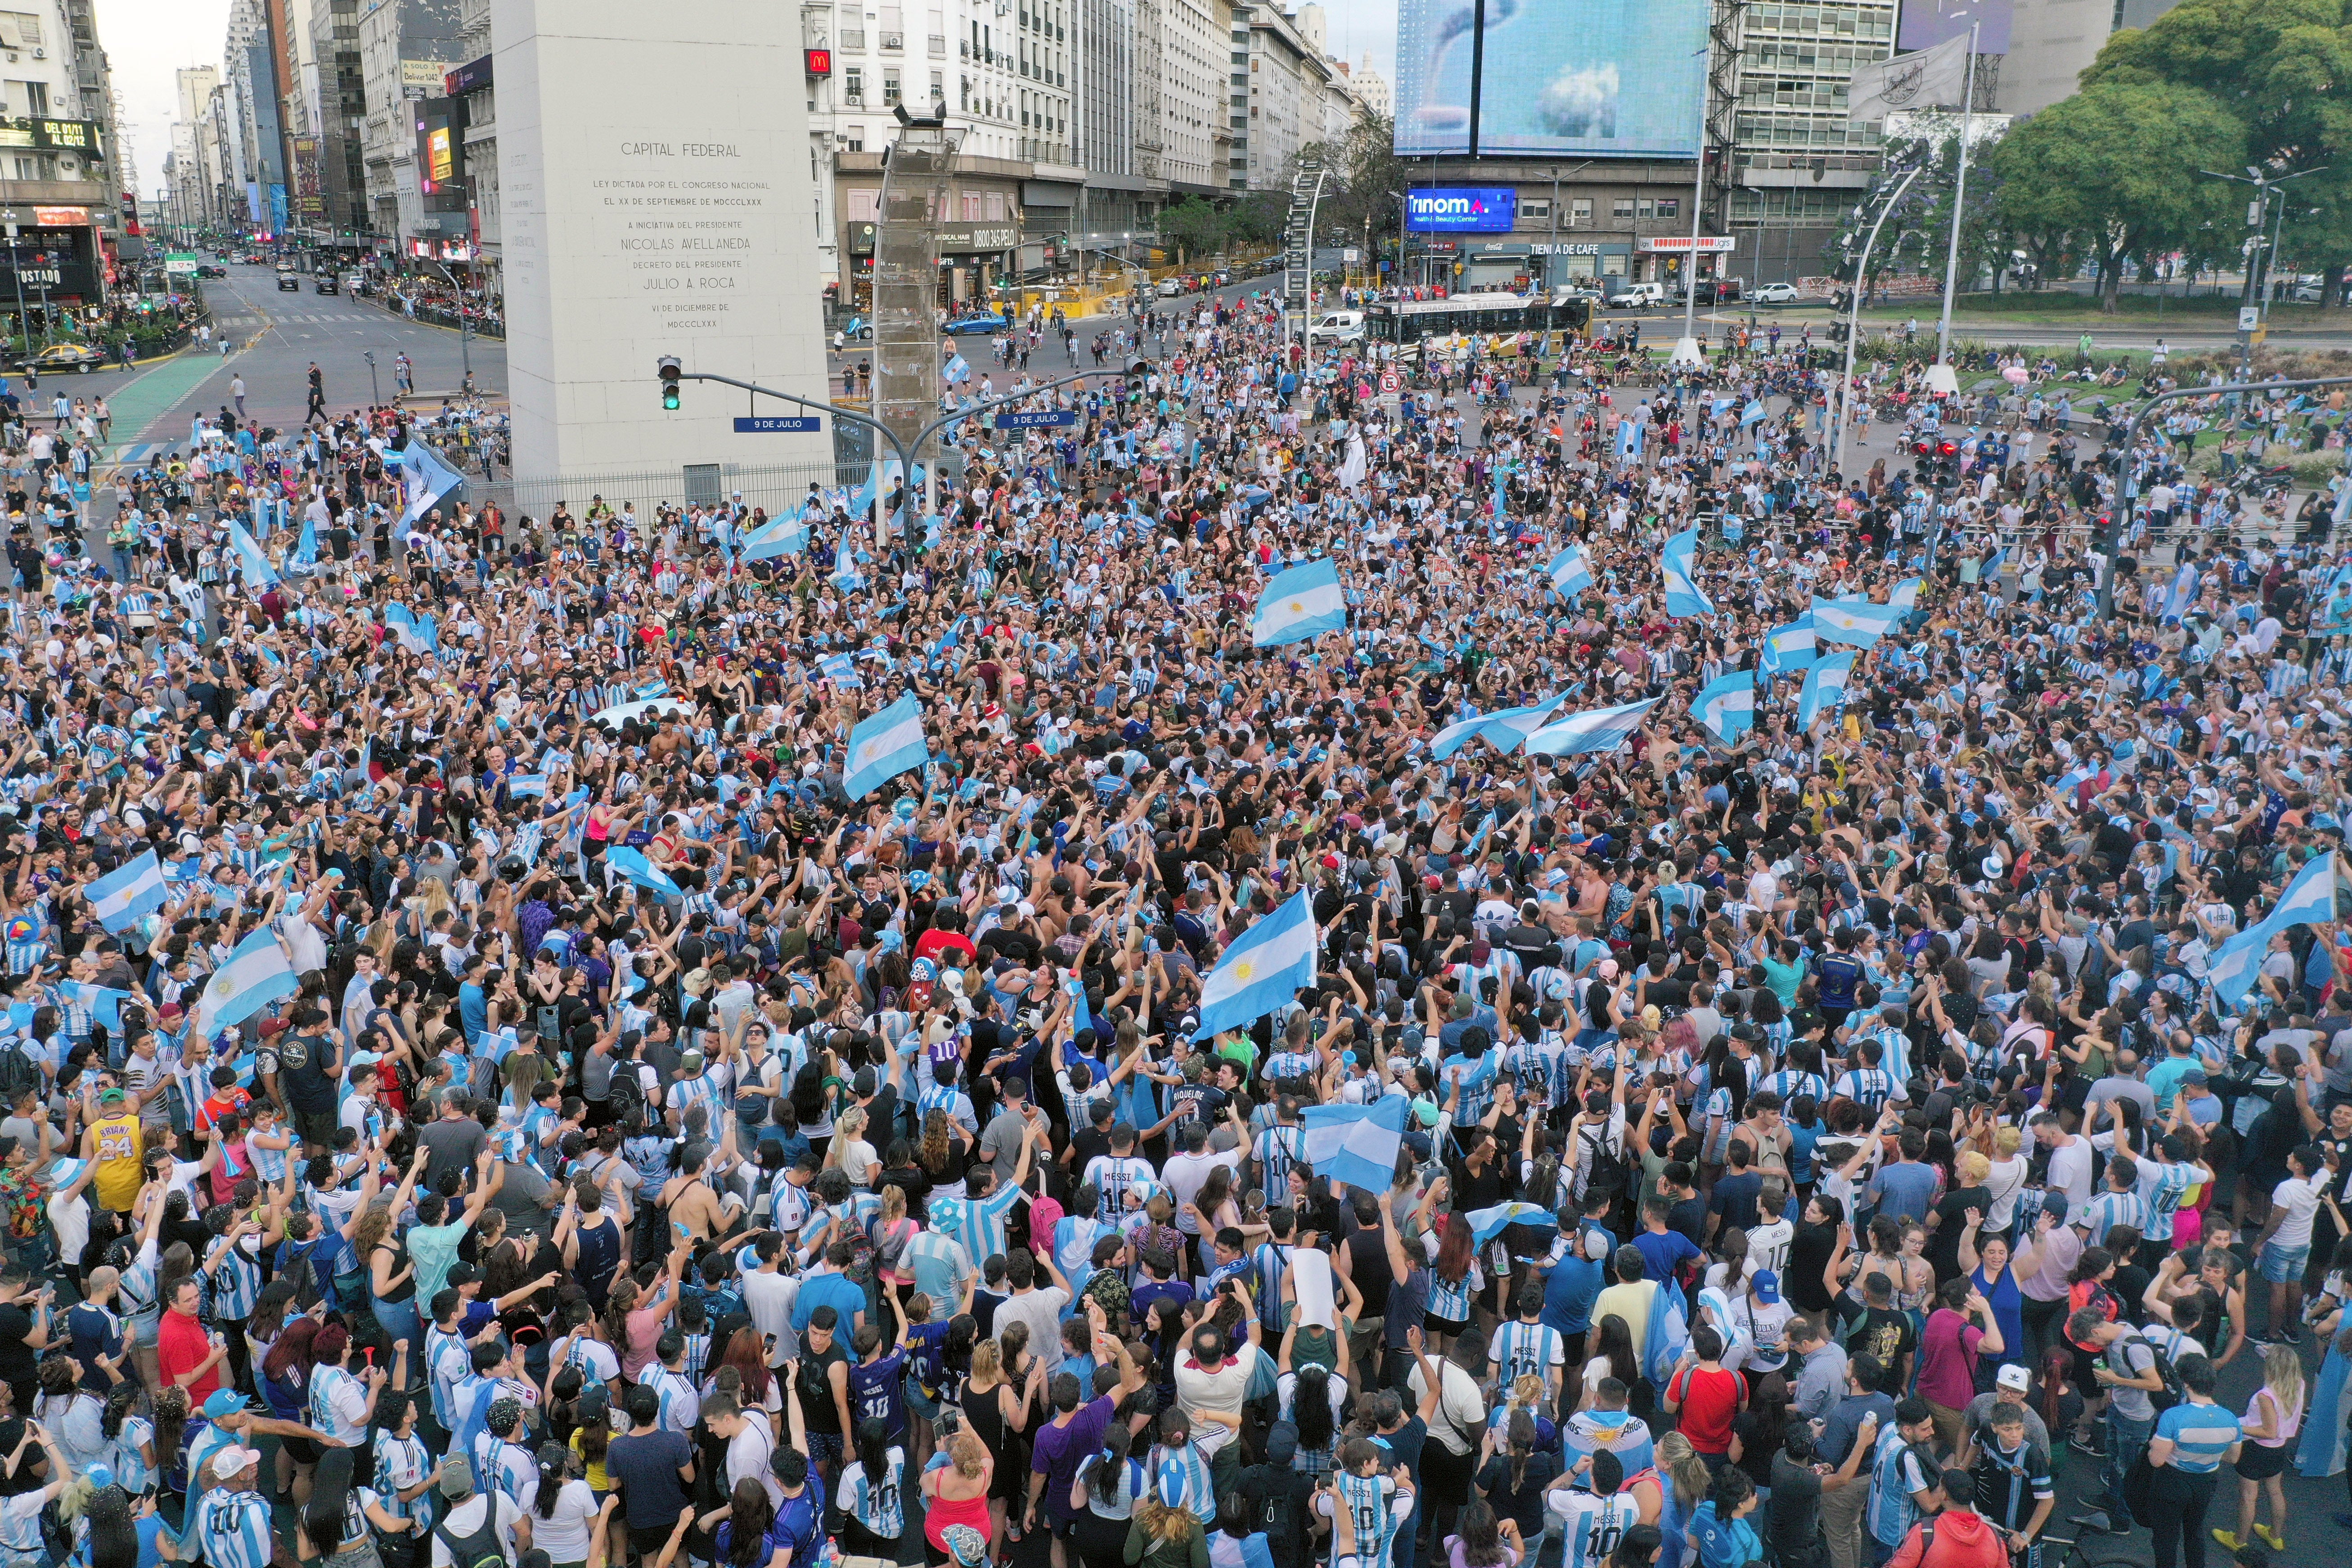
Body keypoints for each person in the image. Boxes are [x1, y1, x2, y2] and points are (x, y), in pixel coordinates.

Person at [2147, 1353, 2244, 1568]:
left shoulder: (2173, 1417)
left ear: (2186, 1384)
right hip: (2206, 1483)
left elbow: (2156, 1461)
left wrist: (2154, 1446)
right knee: (2194, 1532)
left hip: (2172, 1482)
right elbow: (2233, 1457)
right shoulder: (2231, 1420)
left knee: (2166, 1539)